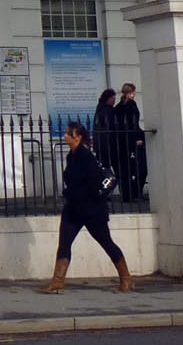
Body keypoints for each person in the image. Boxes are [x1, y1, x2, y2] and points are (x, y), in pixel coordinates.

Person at [38, 121, 134, 294]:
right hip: (73, 209)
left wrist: (78, 193)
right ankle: (58, 281)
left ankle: (126, 278)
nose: (65, 136)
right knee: (64, 243)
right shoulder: (71, 156)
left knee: (106, 242)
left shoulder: (86, 157)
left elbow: (93, 184)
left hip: (92, 210)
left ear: (78, 137)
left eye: (68, 133)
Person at [115, 82, 147, 200]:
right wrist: (137, 138)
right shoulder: (131, 105)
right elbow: (133, 124)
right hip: (132, 139)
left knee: (127, 168)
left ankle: (128, 193)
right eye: (133, 92)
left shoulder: (118, 107)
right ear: (130, 93)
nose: (134, 94)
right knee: (140, 167)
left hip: (123, 141)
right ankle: (136, 191)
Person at [93, 87, 120, 180]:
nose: (114, 100)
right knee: (115, 172)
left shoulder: (99, 110)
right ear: (108, 98)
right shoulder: (109, 111)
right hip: (110, 145)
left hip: (102, 146)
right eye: (113, 98)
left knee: (105, 170)